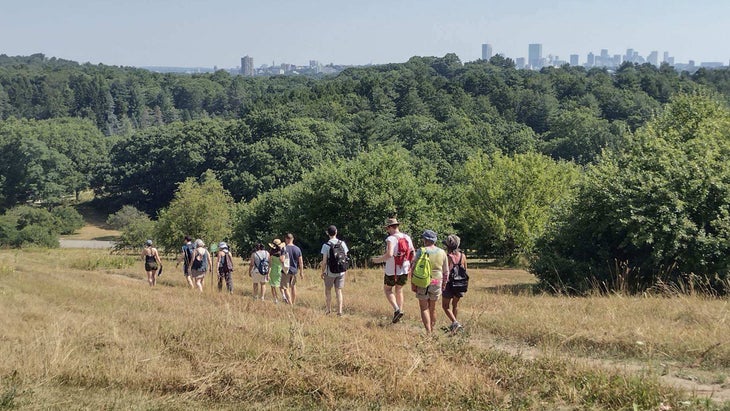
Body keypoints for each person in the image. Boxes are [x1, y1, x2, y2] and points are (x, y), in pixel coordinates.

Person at [370, 217, 414, 324]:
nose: (387, 231)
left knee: (388, 290)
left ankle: (397, 309)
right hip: (404, 268)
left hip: (392, 270)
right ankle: (400, 311)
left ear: (390, 228)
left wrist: (377, 260)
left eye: (387, 228)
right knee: (399, 289)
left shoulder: (391, 239)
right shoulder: (407, 237)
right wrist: (410, 266)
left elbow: (389, 254)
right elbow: (412, 252)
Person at [410, 230, 448, 333]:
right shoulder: (442, 252)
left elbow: (413, 268)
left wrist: (412, 283)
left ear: (425, 239)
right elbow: (446, 271)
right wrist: (443, 284)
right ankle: (433, 329)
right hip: (437, 281)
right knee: (433, 308)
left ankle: (428, 331)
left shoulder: (421, 251)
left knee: (424, 308)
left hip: (423, 281)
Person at [320, 225, 349, 316]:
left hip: (330, 272)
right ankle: (339, 311)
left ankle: (328, 310)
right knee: (338, 291)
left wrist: (322, 272)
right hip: (341, 271)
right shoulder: (342, 243)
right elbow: (345, 257)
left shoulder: (326, 245)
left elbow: (324, 262)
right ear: (336, 232)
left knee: (328, 290)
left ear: (327, 233)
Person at [442, 234, 467, 333]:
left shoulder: (447, 257)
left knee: (445, 306)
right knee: (455, 305)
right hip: (460, 284)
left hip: (449, 284)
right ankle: (454, 326)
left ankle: (455, 323)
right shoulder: (463, 256)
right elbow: (465, 270)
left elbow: (445, 271)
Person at [282, 233, 304, 305]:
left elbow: (282, 259)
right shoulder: (297, 249)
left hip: (286, 270)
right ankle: (293, 302)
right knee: (293, 287)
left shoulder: (284, 248)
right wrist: (301, 272)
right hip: (294, 271)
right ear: (292, 239)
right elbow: (300, 262)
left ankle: (290, 303)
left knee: (285, 288)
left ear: (286, 239)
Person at [267, 239, 288, 303]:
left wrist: (267, 273)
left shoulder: (271, 254)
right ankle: (283, 296)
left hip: (273, 270)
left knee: (273, 286)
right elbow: (283, 261)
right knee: (280, 285)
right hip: (280, 270)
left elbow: (269, 264)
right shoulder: (281, 253)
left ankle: (275, 300)